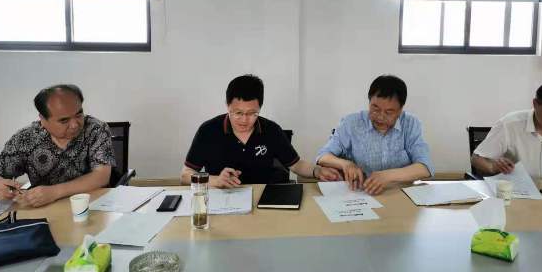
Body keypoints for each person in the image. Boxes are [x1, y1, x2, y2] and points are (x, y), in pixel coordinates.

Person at [180, 75, 341, 187]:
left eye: (252, 113)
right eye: (238, 113)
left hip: (263, 200)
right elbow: (186, 175)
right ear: (227, 106)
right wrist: (215, 180)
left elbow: (296, 164)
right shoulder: (208, 131)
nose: (244, 120)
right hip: (220, 199)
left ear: (260, 108)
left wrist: (317, 171)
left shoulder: (271, 130)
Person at [0, 84, 115, 207]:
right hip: (45, 209)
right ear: (43, 119)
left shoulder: (95, 129)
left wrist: (55, 192)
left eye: (78, 114)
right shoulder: (25, 139)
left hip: (91, 204)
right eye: (64, 120)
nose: (75, 124)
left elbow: (101, 176)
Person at [315, 75, 434, 195]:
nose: (380, 117)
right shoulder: (351, 123)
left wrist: (387, 176)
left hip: (398, 193)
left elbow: (425, 167)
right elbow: (323, 156)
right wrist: (346, 164)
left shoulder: (410, 124)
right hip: (360, 194)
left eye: (389, 112)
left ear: (400, 110)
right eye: (375, 108)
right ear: (369, 101)